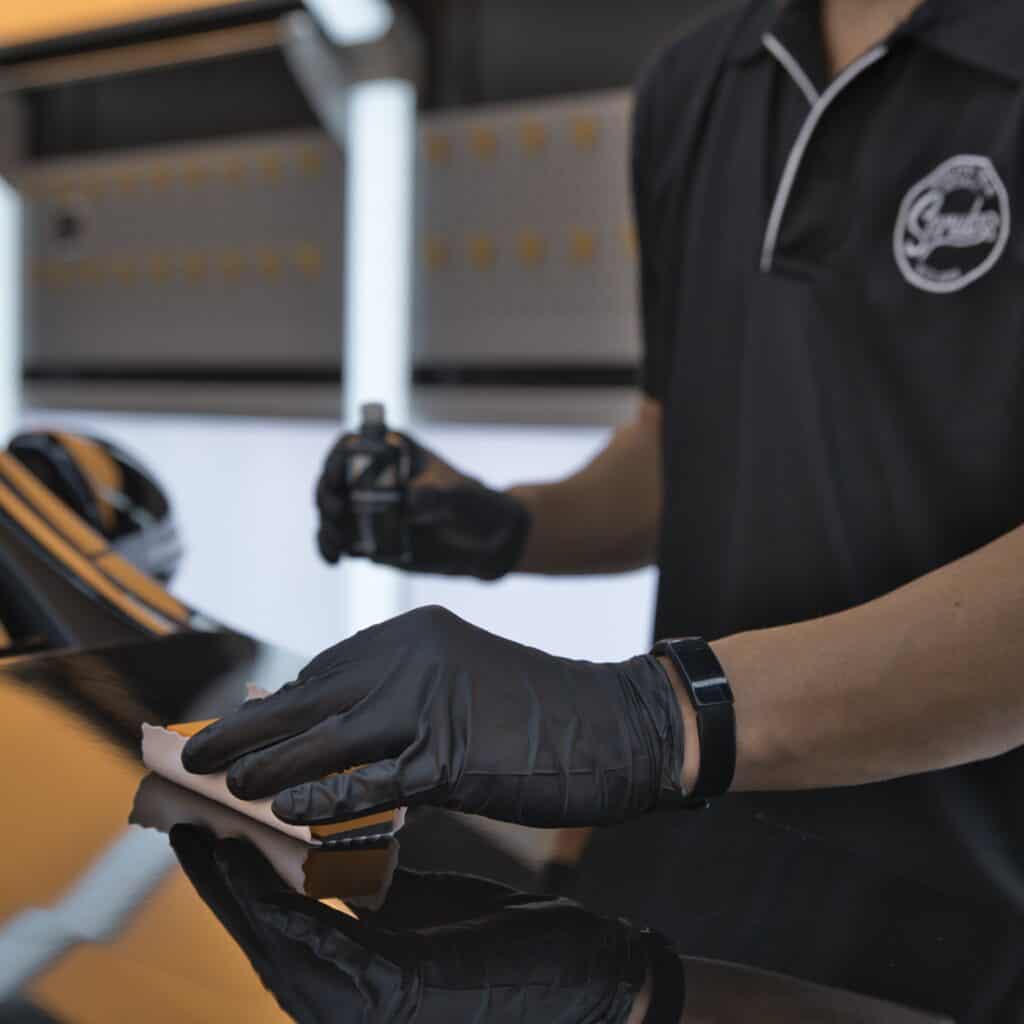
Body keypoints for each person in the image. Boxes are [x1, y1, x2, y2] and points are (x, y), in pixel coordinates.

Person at [183, 0, 1024, 1015]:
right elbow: (687, 449)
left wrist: (649, 715)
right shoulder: (696, 82)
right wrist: (502, 523)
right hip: (688, 876)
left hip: (968, 915)